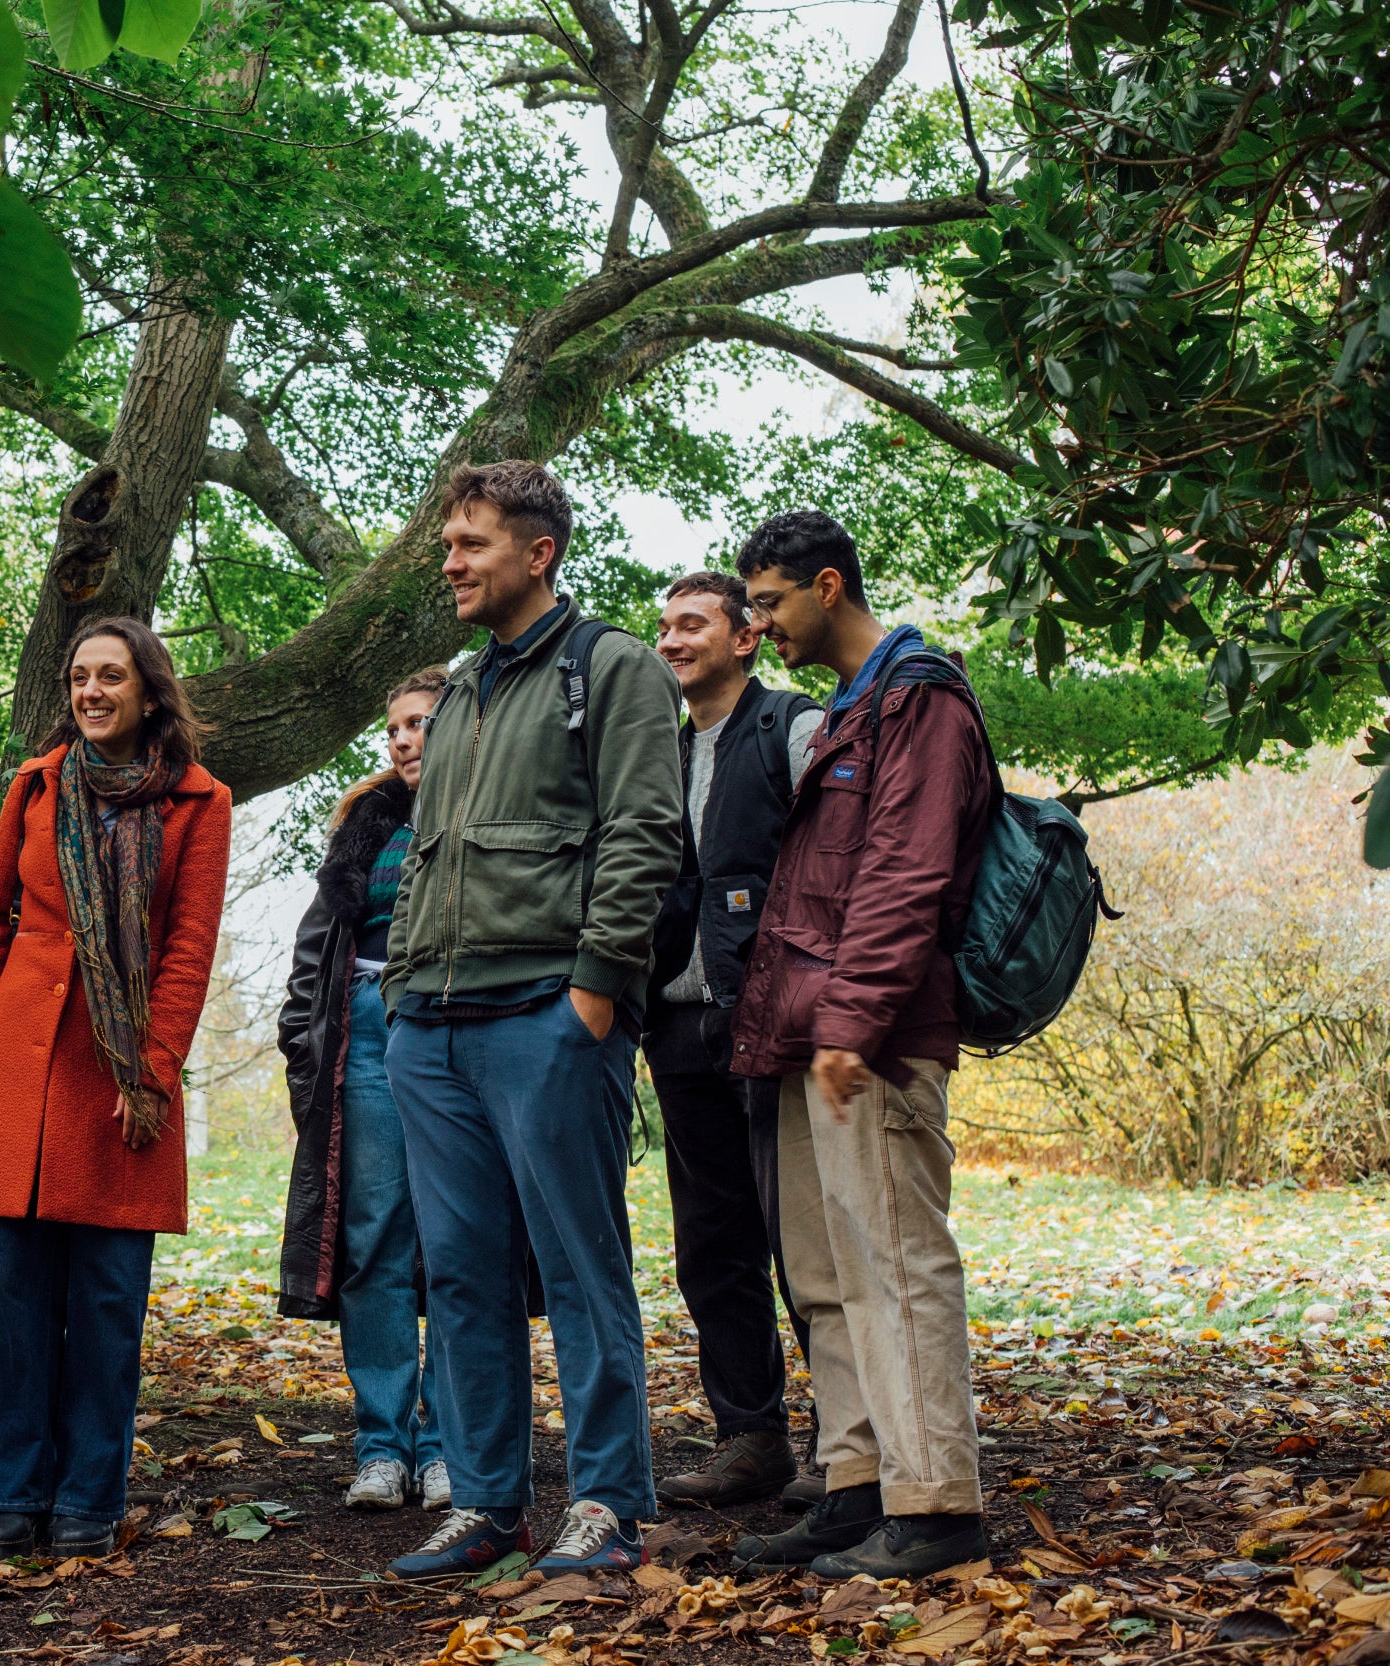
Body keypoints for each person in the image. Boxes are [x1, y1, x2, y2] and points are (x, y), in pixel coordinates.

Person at [379, 461, 685, 1581]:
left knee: (578, 1263)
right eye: (449, 544)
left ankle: (605, 1499)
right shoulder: (457, 690)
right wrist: (400, 998)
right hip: (433, 1024)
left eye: (469, 543)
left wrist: (596, 985)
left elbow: (646, 829)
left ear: (537, 551)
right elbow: (428, 851)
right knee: (459, 1275)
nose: (450, 562)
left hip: (550, 1015)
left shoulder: (613, 667)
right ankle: (487, 1504)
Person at [725, 510, 995, 1579]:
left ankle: (935, 1504)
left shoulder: (918, 696)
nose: (761, 626)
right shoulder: (849, 706)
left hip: (871, 1037)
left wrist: (848, 1022)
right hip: (809, 1039)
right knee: (826, 1276)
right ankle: (855, 1484)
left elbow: (902, 874)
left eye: (770, 604)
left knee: (894, 1263)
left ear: (827, 585)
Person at [0, 617, 232, 1558]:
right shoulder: (34, 785)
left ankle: (87, 1498)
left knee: (106, 1303)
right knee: (14, 1299)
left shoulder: (199, 800)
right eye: (78, 676)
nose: (90, 691)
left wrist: (151, 1068)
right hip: (20, 1070)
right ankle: (12, 1496)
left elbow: (188, 948)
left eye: (110, 676)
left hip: (121, 1075)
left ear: (149, 691)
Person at [644, 573, 824, 1510]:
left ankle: (848, 1439)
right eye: (663, 625)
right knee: (712, 1243)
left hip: (773, 1025)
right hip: (677, 1027)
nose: (671, 639)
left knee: (805, 1235)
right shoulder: (658, 754)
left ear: (747, 636)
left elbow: (839, 856)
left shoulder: (792, 727)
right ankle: (750, 1437)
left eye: (692, 623)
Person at [278, 668, 453, 1515]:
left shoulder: (489, 806)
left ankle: (456, 1445)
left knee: (461, 1239)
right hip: (369, 1031)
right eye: (395, 729)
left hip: (461, 1026)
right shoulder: (364, 823)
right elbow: (315, 952)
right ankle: (384, 1446)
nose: (404, 739)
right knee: (375, 1239)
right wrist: (304, 1057)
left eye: (422, 722)